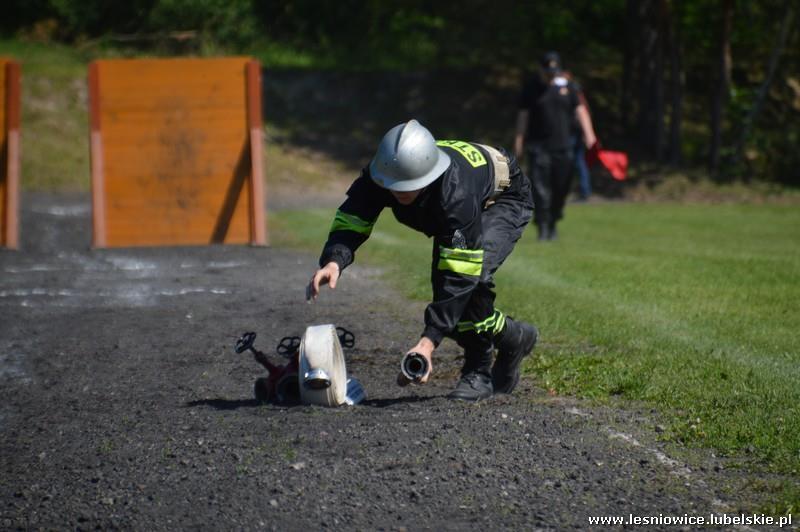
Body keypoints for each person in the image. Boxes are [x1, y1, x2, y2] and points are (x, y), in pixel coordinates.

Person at [306, 119, 538, 402]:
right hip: (455, 207)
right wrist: (333, 261)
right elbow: (353, 218)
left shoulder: (455, 195)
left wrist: (427, 344)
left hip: (502, 198)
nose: (400, 192)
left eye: (410, 186)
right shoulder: (382, 173)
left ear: (429, 175)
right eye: (394, 186)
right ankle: (514, 337)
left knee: (471, 285)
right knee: (451, 304)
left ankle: (478, 371)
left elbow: (459, 279)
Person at [514, 51, 597, 240]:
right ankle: (542, 225)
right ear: (540, 69)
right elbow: (523, 117)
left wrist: (589, 135)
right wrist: (519, 142)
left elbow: (581, 110)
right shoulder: (531, 89)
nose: (551, 74)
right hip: (538, 146)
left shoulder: (568, 88)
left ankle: (553, 219)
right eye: (547, 70)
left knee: (561, 187)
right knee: (541, 189)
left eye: (554, 70)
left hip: (563, 146)